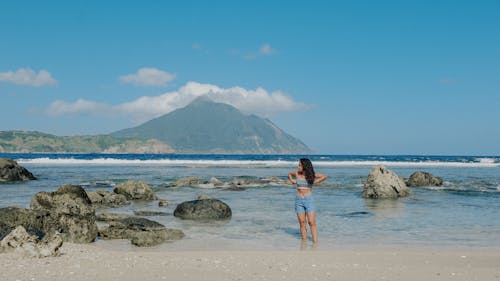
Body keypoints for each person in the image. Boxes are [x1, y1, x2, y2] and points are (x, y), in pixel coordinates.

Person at [288, 158, 328, 244]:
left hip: (309, 200)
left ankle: (315, 242)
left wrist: (316, 182)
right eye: (298, 165)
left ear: (304, 166)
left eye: (300, 165)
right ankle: (304, 242)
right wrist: (292, 181)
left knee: (311, 222)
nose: (298, 166)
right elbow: (289, 174)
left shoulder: (311, 175)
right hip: (298, 201)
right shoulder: (297, 173)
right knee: (302, 223)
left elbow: (324, 176)